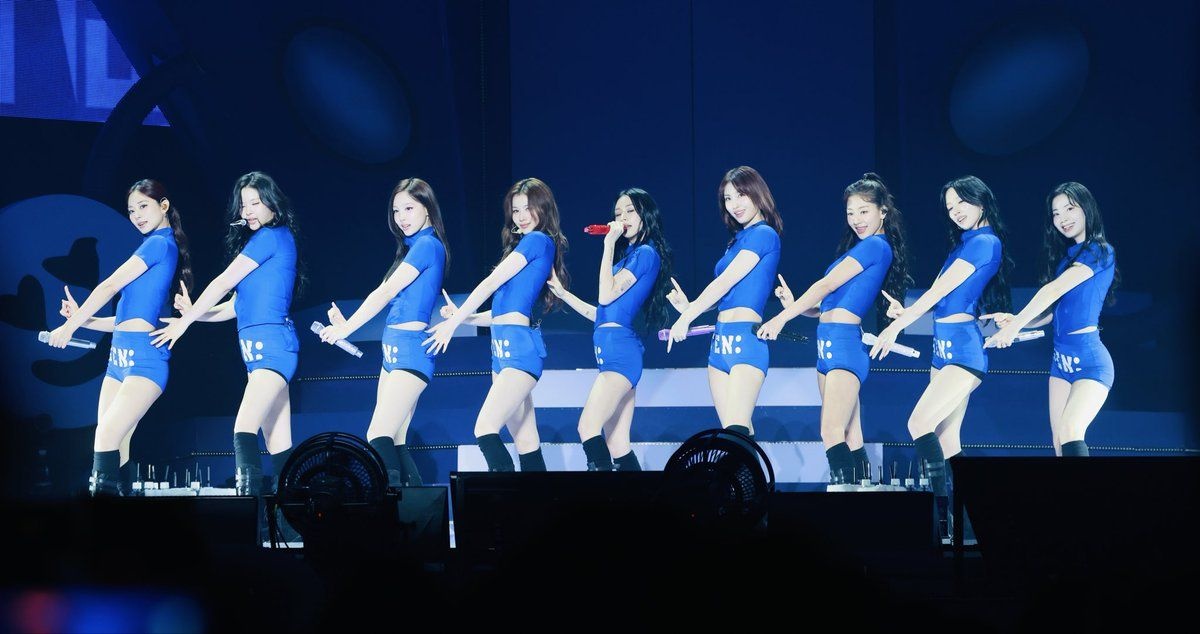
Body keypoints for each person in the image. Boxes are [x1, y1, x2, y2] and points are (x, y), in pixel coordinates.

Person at [757, 173, 911, 481]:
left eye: (864, 211)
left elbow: (825, 285)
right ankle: (861, 497)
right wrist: (793, 305)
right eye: (850, 213)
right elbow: (826, 308)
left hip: (844, 347)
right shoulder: (860, 248)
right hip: (828, 344)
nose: (856, 220)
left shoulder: (875, 246)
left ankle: (844, 499)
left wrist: (781, 318)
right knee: (851, 436)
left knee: (830, 431)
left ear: (883, 211)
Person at [48, 179, 191, 495]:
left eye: (143, 206)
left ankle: (100, 519)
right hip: (118, 359)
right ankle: (122, 519)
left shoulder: (158, 244)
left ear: (164, 206)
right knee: (117, 442)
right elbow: (126, 320)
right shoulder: (154, 245)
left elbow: (109, 286)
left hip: (144, 362)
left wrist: (69, 328)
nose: (137, 215)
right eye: (131, 210)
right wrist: (83, 319)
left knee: (106, 437)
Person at [424, 178, 569, 472]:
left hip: (519, 351)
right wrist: (464, 317)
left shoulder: (537, 240)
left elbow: (490, 282)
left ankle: (503, 497)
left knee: (485, 428)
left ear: (543, 208)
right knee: (526, 441)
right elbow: (502, 313)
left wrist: (454, 324)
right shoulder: (526, 246)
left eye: (528, 208)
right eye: (516, 210)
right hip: (501, 351)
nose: (521, 216)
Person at [985, 182, 1118, 457]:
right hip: (1060, 362)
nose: (1062, 219)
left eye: (1069, 209)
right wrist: (1015, 320)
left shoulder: (1100, 250)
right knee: (1059, 445)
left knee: (1071, 430)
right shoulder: (1065, 261)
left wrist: (1015, 326)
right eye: (1056, 214)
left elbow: (1053, 290)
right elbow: (1050, 314)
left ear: (1087, 209)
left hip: (1091, 361)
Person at [547, 188, 672, 471]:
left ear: (645, 215)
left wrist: (608, 244)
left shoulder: (645, 253)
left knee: (587, 427)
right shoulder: (630, 256)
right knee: (617, 444)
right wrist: (564, 295)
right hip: (613, 349)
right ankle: (638, 498)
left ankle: (604, 495)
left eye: (630, 211)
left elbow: (605, 296)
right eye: (618, 213)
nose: (623, 218)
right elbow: (601, 314)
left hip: (620, 354)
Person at [665, 166, 782, 438]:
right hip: (720, 343)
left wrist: (687, 317)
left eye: (741, 195)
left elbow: (725, 282)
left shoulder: (764, 234)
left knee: (735, 433)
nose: (734, 205)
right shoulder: (736, 240)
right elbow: (728, 295)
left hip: (746, 341)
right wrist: (689, 307)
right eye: (728, 198)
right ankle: (748, 469)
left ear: (757, 193)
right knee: (738, 433)